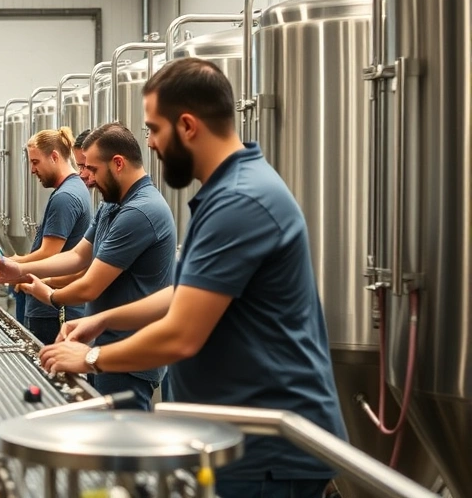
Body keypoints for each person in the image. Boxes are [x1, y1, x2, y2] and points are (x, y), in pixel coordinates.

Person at [39, 58, 347, 497]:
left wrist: (91, 359)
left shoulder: (241, 201)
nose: (152, 144)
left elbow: (182, 333)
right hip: (235, 437)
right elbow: (182, 295)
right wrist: (100, 322)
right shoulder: (225, 192)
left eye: (154, 130)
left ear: (186, 125)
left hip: (268, 449)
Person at [0, 123, 175, 408]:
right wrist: (22, 269)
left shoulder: (141, 211)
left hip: (128, 355)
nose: (86, 177)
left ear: (118, 164)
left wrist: (50, 296)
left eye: (93, 169)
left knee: (123, 442)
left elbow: (90, 285)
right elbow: (77, 256)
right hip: (102, 345)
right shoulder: (112, 204)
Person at [7, 127, 92, 344]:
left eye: (35, 162)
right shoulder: (74, 189)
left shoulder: (65, 197)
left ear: (54, 157)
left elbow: (49, 253)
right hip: (53, 301)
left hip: (51, 310)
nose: (32, 170)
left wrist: (16, 265)